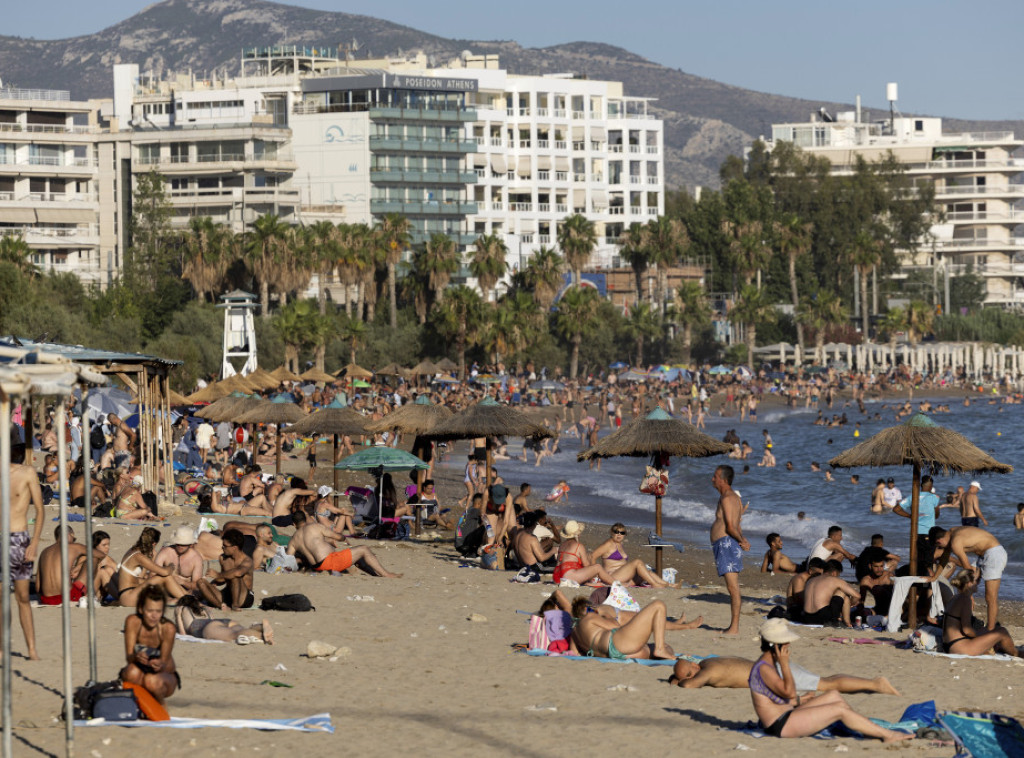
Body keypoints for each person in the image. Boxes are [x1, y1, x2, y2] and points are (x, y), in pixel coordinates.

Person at [746, 619, 911, 742]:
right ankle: (887, 735)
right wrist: (784, 665)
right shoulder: (765, 668)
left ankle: (867, 729)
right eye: (785, 642)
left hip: (786, 714)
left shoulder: (768, 664)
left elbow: (784, 697)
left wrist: (799, 699)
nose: (789, 644)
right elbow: (788, 692)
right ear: (776, 645)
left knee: (834, 696)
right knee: (839, 711)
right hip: (780, 725)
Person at [669, 655, 899, 696]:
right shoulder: (708, 661)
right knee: (824, 680)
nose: (693, 674)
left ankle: (875, 684)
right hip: (772, 668)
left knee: (826, 684)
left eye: (690, 672)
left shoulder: (709, 671)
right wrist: (678, 676)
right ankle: (872, 683)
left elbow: (690, 687)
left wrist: (680, 681)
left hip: (776, 675)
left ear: (694, 668)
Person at [5, 440, 44, 659]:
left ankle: (31, 648)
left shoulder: (27, 472)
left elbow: (40, 509)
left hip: (19, 538)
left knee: (21, 596)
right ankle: (2, 648)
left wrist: (35, 542)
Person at [931, 526, 1007, 630]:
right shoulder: (953, 530)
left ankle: (990, 630)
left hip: (994, 554)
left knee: (990, 597)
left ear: (939, 541)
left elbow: (967, 569)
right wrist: (935, 577)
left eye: (939, 546)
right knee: (964, 591)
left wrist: (970, 592)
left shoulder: (955, 543)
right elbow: (945, 557)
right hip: (983, 555)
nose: (942, 549)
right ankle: (965, 621)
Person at [286, 509, 401, 578]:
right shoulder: (314, 527)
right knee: (364, 549)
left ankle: (376, 575)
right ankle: (387, 574)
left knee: (357, 557)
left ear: (294, 524)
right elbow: (337, 536)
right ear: (305, 520)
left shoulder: (293, 540)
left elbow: (288, 559)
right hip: (330, 562)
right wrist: (342, 538)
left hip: (317, 567)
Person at [120, 586, 179, 704]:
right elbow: (129, 657)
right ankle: (138, 703)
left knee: (151, 680)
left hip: (164, 675)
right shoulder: (133, 622)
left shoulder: (168, 628)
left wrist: (159, 663)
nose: (154, 616)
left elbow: (166, 663)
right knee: (131, 672)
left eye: (158, 611)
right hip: (139, 669)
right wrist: (136, 657)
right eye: (150, 611)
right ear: (141, 609)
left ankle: (160, 706)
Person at [941, 571, 1020, 657]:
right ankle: (1016, 653)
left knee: (991, 630)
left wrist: (985, 635)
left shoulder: (955, 597)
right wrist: (981, 637)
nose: (978, 583)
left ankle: (999, 646)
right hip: (959, 647)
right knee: (1002, 632)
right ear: (969, 583)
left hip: (948, 644)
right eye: (976, 580)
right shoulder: (965, 599)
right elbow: (966, 630)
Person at [570, 595, 674, 660]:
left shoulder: (574, 631)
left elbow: (575, 653)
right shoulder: (590, 617)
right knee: (658, 605)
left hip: (614, 655)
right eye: (594, 609)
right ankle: (659, 649)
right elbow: (615, 626)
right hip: (618, 644)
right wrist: (607, 616)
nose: (597, 611)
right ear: (587, 608)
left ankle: (660, 648)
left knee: (663, 648)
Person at [710, 464, 749, 635]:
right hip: (726, 544)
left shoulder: (727, 498)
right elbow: (737, 524)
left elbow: (731, 527)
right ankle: (734, 626)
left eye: (715, 476)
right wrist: (743, 539)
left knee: (733, 588)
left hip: (727, 544)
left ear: (724, 480)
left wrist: (742, 541)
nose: (713, 479)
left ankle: (734, 628)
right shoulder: (732, 498)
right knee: (732, 587)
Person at [112, 527, 188, 607]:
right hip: (128, 596)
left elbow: (138, 578)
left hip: (131, 592)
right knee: (165, 577)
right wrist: (170, 566)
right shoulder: (138, 556)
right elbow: (164, 572)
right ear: (154, 544)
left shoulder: (133, 550)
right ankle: (188, 599)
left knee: (161, 579)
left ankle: (187, 597)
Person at [591, 523, 675, 588]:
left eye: (622, 532)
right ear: (611, 533)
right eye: (616, 532)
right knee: (637, 562)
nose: (619, 534)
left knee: (648, 573)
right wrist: (595, 576)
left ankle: (670, 585)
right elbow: (592, 556)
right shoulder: (608, 544)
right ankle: (654, 584)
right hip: (612, 577)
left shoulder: (619, 544)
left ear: (625, 535)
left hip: (624, 577)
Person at [175, 595, 273, 645]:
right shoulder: (204, 609)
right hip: (222, 622)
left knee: (234, 635)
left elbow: (183, 634)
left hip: (209, 628)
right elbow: (213, 620)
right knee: (238, 630)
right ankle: (260, 626)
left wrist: (178, 616)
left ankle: (261, 635)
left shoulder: (184, 609)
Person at [196, 530, 255, 610]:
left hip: (244, 597)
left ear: (234, 548)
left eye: (225, 546)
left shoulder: (247, 561)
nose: (222, 547)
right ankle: (221, 606)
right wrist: (214, 582)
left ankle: (235, 606)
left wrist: (217, 575)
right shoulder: (223, 558)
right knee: (201, 582)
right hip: (228, 593)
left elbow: (237, 573)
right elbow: (223, 578)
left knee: (234, 575)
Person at [552, 521, 617, 586]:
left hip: (557, 577)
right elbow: (586, 565)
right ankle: (618, 584)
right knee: (598, 567)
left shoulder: (562, 545)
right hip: (569, 576)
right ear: (578, 534)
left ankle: (589, 583)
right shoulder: (578, 546)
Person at [36, 525, 88, 606]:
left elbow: (37, 587)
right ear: (71, 534)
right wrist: (80, 566)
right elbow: (99, 555)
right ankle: (97, 596)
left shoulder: (44, 551)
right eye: (73, 539)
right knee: (93, 560)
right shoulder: (73, 547)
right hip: (67, 597)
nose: (73, 542)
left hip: (46, 599)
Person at [802, 560, 860, 627]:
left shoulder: (811, 580)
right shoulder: (835, 580)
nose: (838, 576)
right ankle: (847, 623)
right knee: (844, 594)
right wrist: (850, 604)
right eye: (838, 574)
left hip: (807, 617)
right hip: (822, 617)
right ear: (834, 573)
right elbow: (857, 596)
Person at [154, 526, 204, 595]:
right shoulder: (166, 552)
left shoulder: (196, 558)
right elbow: (153, 573)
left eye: (183, 544)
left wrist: (183, 582)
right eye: (178, 544)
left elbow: (197, 585)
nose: (180, 546)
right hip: (165, 587)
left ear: (191, 545)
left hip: (186, 590)